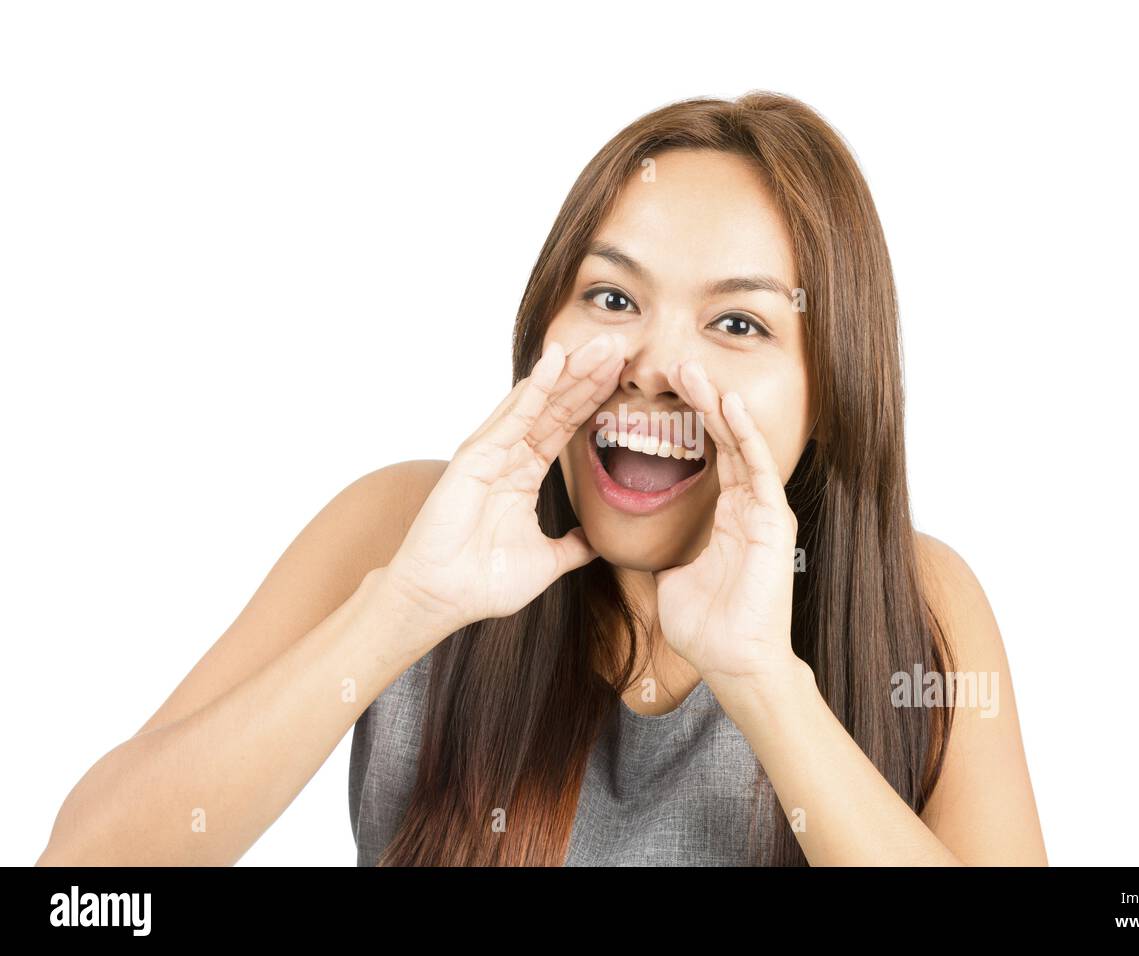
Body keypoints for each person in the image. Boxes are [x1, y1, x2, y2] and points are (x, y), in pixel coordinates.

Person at [37, 92, 1048, 866]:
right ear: (541, 328)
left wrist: (763, 684)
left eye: (736, 323)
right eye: (611, 295)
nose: (653, 364)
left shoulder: (922, 604)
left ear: (828, 394)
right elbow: (82, 874)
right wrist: (402, 610)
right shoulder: (397, 525)